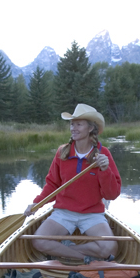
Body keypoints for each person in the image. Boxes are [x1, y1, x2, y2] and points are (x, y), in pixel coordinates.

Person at [24, 103, 121, 262]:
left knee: (111, 248)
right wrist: (36, 204)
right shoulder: (63, 152)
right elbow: (52, 185)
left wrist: (105, 170)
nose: (73, 128)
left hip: (92, 214)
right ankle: (84, 258)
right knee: (37, 240)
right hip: (64, 212)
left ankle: (64, 250)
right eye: (72, 124)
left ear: (90, 128)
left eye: (78, 124)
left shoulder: (103, 154)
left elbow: (112, 194)